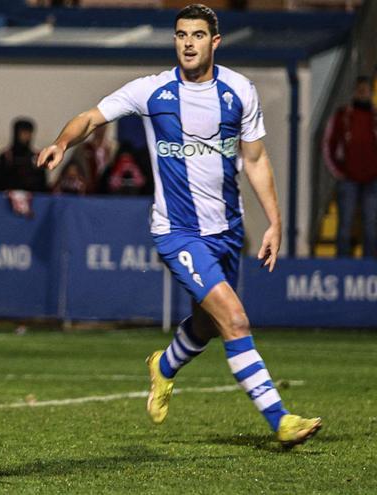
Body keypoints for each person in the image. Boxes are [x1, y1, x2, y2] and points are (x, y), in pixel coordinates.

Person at [37, 4, 321, 447]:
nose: (188, 43)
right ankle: (281, 420)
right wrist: (61, 142)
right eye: (181, 35)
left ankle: (164, 366)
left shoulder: (239, 91)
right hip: (177, 232)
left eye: (198, 35)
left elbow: (256, 159)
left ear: (215, 42)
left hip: (227, 229)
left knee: (208, 324)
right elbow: (91, 117)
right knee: (235, 319)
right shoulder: (151, 91)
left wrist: (275, 222)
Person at [322, 76, 377, 258]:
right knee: (345, 227)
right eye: (360, 90)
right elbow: (328, 144)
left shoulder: (374, 117)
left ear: (371, 93)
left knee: (371, 228)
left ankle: (370, 269)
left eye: (366, 90)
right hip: (349, 180)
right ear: (354, 92)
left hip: (372, 180)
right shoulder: (343, 116)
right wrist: (339, 172)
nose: (363, 93)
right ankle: (342, 267)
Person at [0, 117, 46, 192]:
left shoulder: (35, 158)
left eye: (29, 132)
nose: (26, 136)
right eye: (23, 132)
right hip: (7, 200)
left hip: (32, 200)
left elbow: (42, 184)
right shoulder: (6, 157)